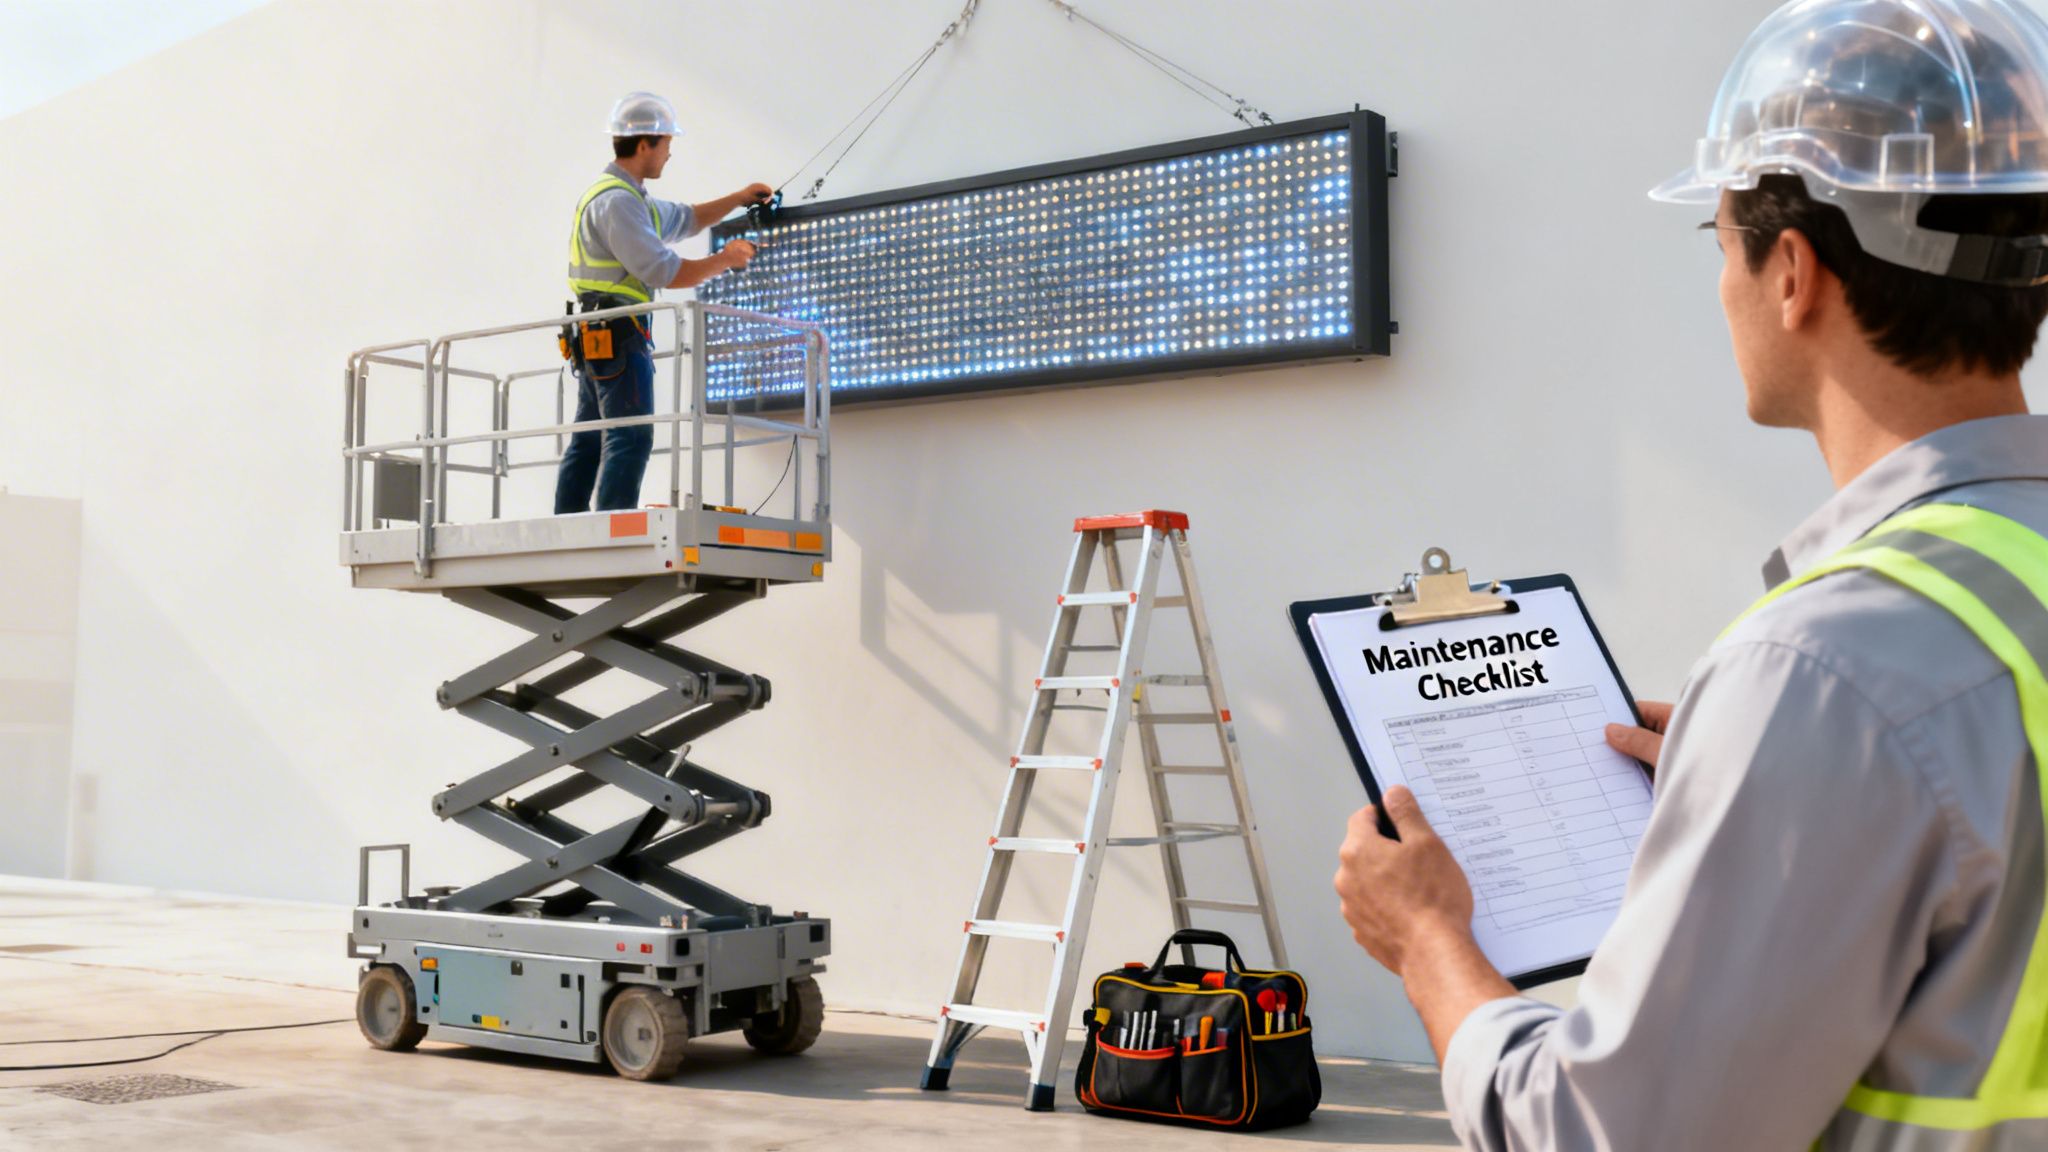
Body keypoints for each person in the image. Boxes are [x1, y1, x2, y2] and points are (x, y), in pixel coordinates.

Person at [1332, 1, 2048, 1147]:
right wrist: (1778, 794)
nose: (1720, 283)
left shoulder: (1822, 674)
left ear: (1791, 274)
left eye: (1719, 243)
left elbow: (1608, 1133)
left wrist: (1426, 942)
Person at [555, 91, 770, 514]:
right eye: (667, 144)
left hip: (601, 334)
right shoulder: (618, 204)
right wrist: (727, 260)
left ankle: (570, 526)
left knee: (592, 437)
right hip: (618, 336)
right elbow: (664, 271)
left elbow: (686, 219)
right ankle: (608, 531)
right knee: (630, 436)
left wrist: (738, 198)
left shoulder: (629, 198)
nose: (670, 154)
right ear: (643, 145)